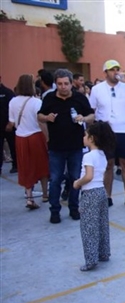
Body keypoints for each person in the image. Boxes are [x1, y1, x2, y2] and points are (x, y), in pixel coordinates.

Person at [38, 68, 95, 224]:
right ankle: (54, 210)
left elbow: (92, 116)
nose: (63, 87)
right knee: (55, 180)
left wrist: (83, 118)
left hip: (76, 147)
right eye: (59, 84)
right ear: (56, 84)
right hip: (56, 147)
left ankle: (74, 208)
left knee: (75, 178)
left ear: (71, 84)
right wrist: (47, 117)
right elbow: (39, 115)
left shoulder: (80, 98)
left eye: (65, 84)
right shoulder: (49, 98)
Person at [89, 59, 125, 208]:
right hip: (105, 132)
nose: (115, 72)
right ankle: (107, 196)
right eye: (112, 70)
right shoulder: (97, 89)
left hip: (124, 130)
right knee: (108, 164)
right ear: (105, 72)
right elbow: (91, 111)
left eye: (117, 69)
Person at [73, 122, 115, 271]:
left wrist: (78, 183)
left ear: (92, 138)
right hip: (101, 192)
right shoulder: (103, 155)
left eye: (85, 135)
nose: (83, 137)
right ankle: (104, 253)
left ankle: (91, 260)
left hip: (90, 193)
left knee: (89, 227)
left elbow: (89, 176)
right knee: (102, 224)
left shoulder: (88, 156)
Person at [7, 74, 49, 208]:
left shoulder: (13, 101)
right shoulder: (36, 102)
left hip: (20, 137)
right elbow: (41, 122)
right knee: (42, 165)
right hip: (36, 136)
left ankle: (29, 197)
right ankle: (44, 194)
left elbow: (12, 122)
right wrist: (48, 138)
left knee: (25, 166)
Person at [0, 75, 16, 175]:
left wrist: (11, 123)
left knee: (13, 145)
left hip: (8, 125)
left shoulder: (7, 92)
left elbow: (13, 109)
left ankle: (16, 165)